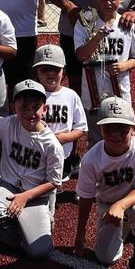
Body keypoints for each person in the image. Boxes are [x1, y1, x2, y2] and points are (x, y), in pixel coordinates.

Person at [0, 79, 64, 259]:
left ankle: (34, 219)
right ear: (13, 107)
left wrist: (24, 197)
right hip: (8, 187)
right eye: (24, 107)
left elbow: (54, 182)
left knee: (40, 251)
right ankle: (17, 225)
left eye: (35, 107)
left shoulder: (52, 145)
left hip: (35, 196)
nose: (30, 112)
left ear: (44, 109)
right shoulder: (10, 123)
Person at [74, 96, 135, 269]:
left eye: (122, 128)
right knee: (105, 258)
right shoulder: (90, 159)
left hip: (134, 199)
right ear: (100, 129)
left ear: (134, 129)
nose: (115, 134)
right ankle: (127, 228)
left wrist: (121, 205)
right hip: (106, 203)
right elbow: (86, 198)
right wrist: (80, 234)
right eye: (109, 128)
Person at [74, 0, 135, 148]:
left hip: (119, 89)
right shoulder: (86, 22)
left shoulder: (127, 24)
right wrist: (98, 36)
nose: (108, 2)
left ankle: (122, 168)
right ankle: (96, 171)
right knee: (96, 137)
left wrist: (124, 65)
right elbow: (82, 55)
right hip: (93, 91)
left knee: (123, 132)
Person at [32, 44, 87, 183]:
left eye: (56, 69)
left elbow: (80, 127)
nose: (50, 73)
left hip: (62, 152)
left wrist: (65, 137)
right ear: (36, 72)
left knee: (53, 183)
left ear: (64, 71)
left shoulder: (71, 95)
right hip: (36, 150)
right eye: (45, 69)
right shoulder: (31, 94)